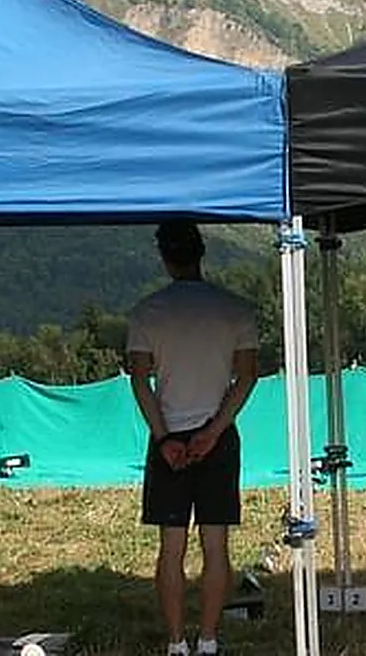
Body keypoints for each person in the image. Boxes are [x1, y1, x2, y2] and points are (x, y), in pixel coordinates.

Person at [128, 220, 260, 656]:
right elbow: (246, 377)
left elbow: (140, 382)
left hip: (169, 436)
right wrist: (214, 431)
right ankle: (208, 639)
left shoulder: (147, 312)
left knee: (171, 547)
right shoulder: (235, 309)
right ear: (202, 253)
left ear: (164, 257)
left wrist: (164, 438)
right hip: (217, 437)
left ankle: (175, 641)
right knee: (216, 543)